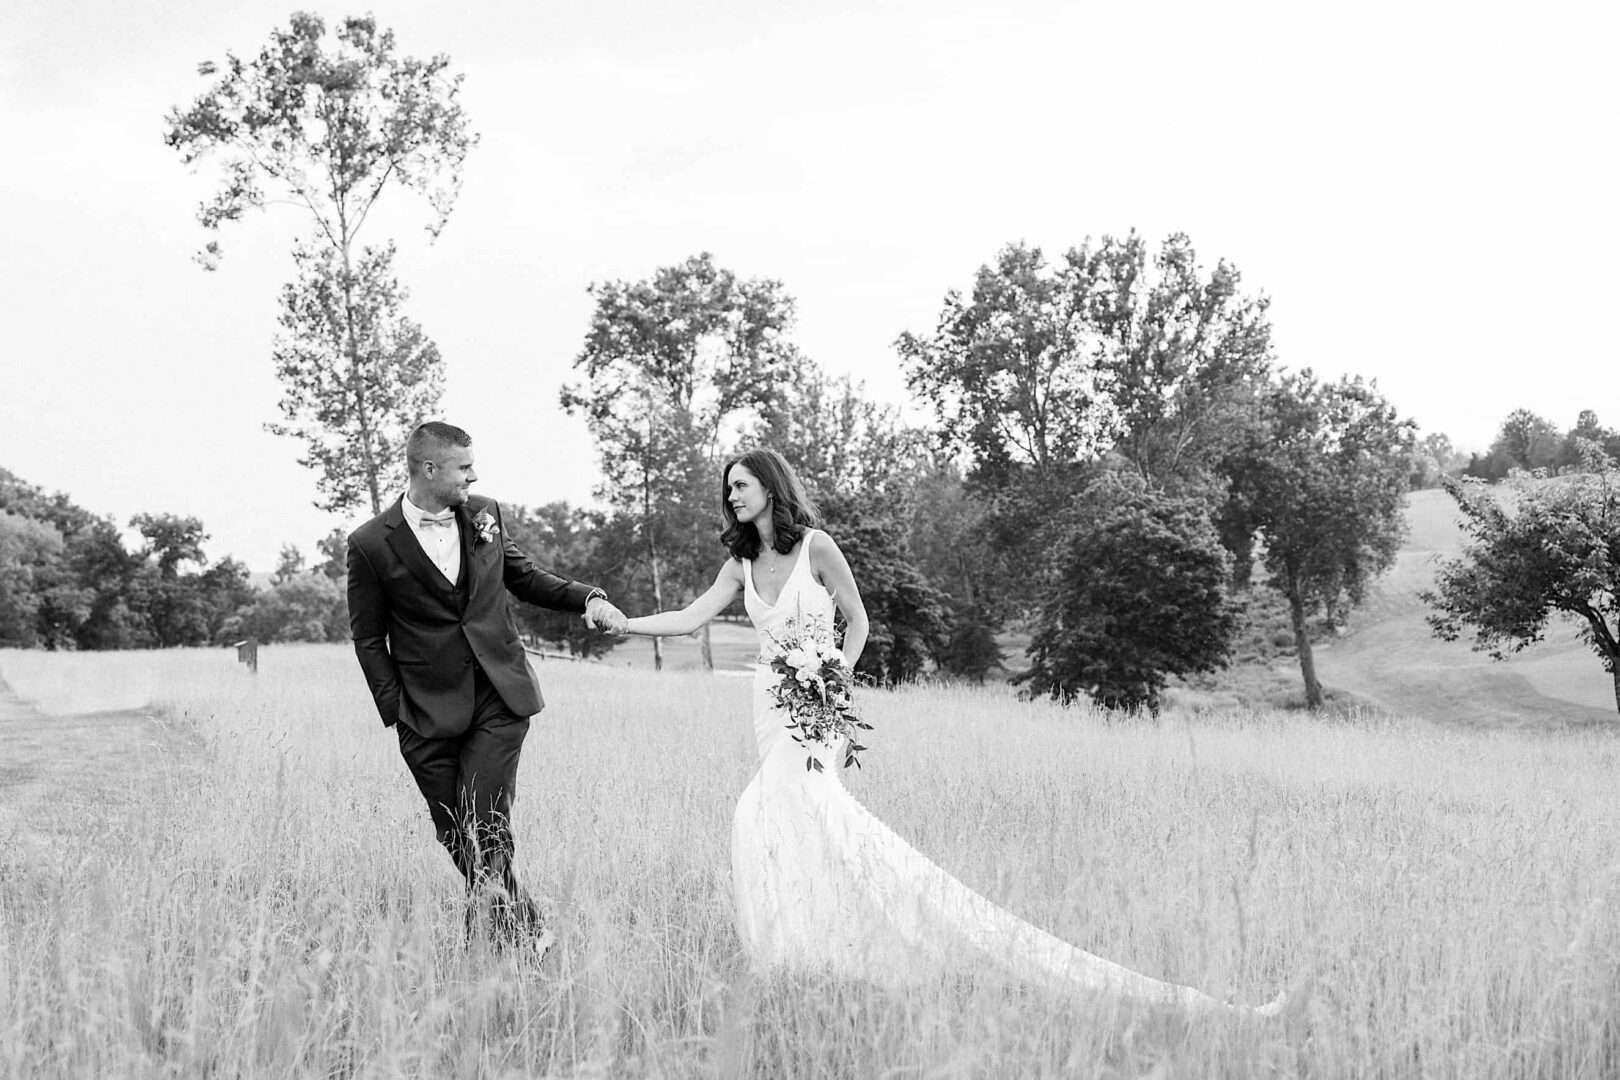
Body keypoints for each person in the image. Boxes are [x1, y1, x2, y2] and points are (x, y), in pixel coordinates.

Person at [621, 447, 1281, 1014]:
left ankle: (842, 941)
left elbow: (858, 621)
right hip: (769, 705)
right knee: (784, 822)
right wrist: (624, 623)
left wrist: (836, 679)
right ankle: (805, 953)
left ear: (771, 487)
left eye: (741, 484)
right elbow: (689, 616)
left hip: (817, 703)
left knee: (770, 812)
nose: (731, 495)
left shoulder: (816, 548)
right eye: (728, 488)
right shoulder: (739, 565)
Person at [347, 421, 627, 952]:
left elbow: (525, 576)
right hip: (423, 714)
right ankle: (528, 930)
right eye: (463, 467)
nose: (474, 475)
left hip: (500, 695)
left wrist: (588, 598)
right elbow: (367, 638)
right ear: (429, 469)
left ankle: (488, 942)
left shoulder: (484, 514)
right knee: (453, 830)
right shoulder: (369, 545)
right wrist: (397, 713)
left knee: (484, 817)